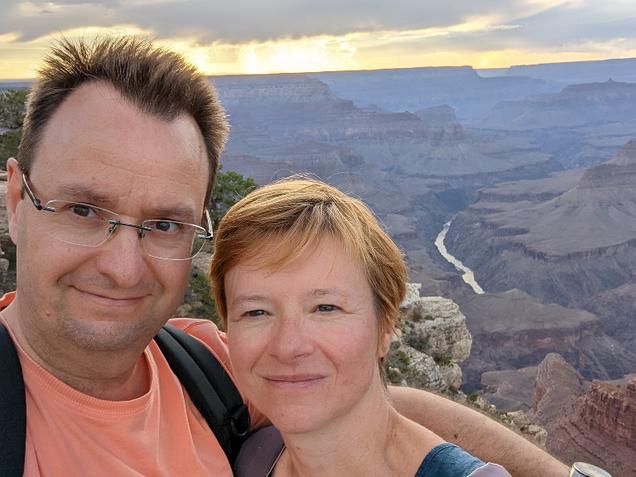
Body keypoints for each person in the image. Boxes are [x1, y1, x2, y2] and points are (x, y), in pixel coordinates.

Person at [0, 35, 569, 476]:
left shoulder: (204, 368)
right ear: (15, 201)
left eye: (165, 224)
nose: (123, 266)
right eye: (83, 210)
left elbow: (355, 400)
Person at [209, 178, 511, 476]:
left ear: (385, 328)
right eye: (256, 312)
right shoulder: (251, 458)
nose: (287, 347)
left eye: (326, 308)